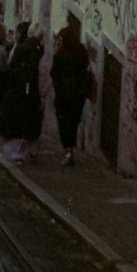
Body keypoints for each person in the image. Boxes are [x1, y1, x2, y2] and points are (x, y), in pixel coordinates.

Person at [1, 22, 45, 163]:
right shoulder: (39, 51)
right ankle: (27, 152)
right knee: (30, 122)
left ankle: (16, 153)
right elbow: (42, 75)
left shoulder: (19, 48)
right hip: (31, 91)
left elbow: (9, 66)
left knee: (18, 122)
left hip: (17, 90)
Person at [50, 18, 90, 166]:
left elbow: (53, 73)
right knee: (73, 122)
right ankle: (70, 149)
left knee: (63, 122)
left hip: (63, 94)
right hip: (78, 95)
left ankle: (67, 150)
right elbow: (85, 68)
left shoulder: (60, 56)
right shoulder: (82, 51)